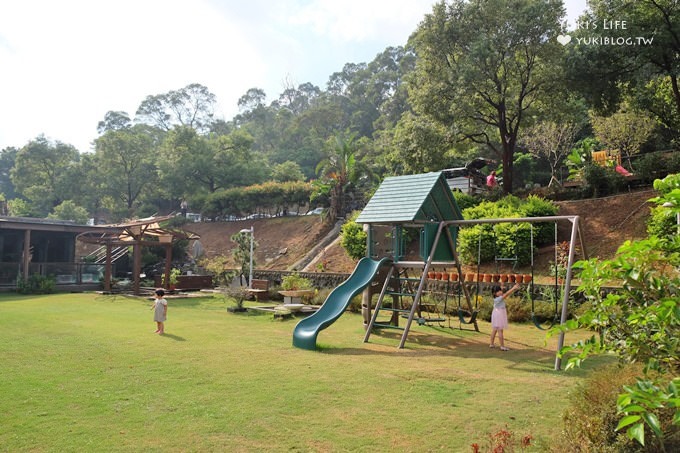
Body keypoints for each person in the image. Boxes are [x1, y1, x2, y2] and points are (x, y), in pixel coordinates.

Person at [489, 283, 521, 351]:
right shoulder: (498, 299)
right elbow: (506, 294)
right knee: (500, 330)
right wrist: (513, 288)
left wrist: (502, 286)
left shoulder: (497, 298)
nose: (500, 292)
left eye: (500, 290)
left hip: (497, 313)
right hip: (499, 314)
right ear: (494, 293)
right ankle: (502, 346)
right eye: (498, 291)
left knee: (495, 329)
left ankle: (491, 344)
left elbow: (504, 293)